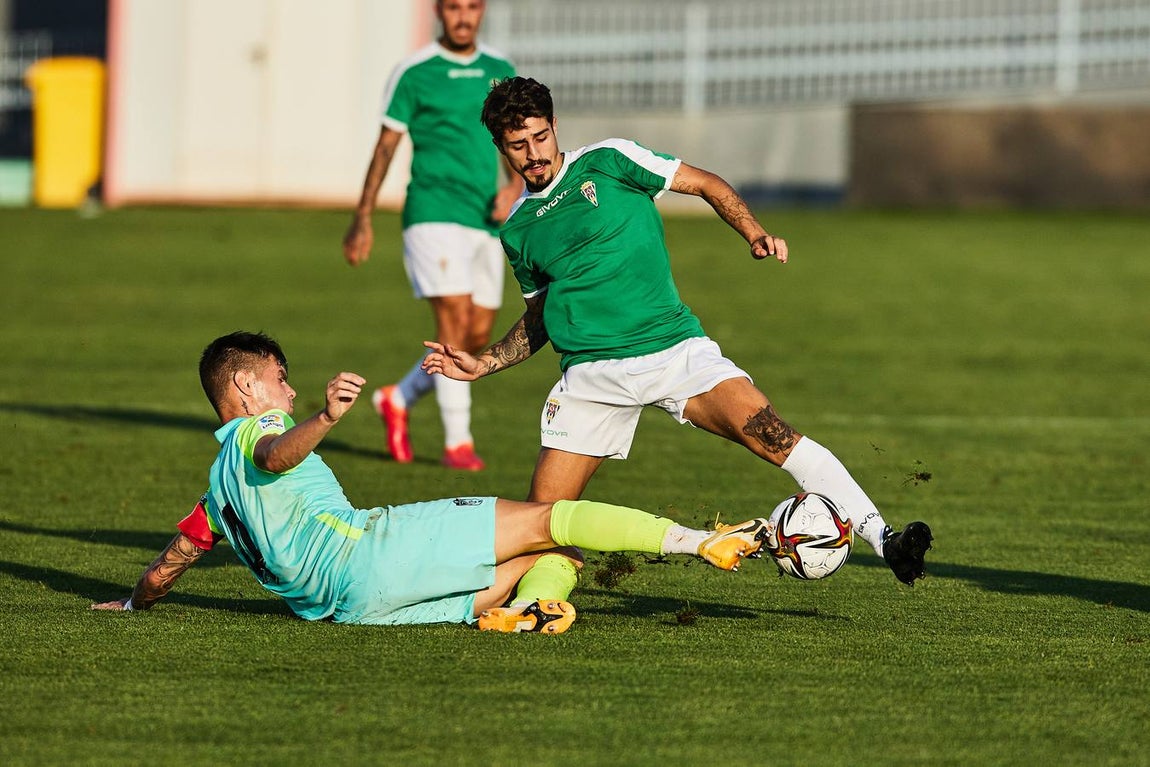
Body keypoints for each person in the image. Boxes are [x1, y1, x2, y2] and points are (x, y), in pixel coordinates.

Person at [422, 77, 933, 585]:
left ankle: (883, 538)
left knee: (775, 436)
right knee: (542, 522)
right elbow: (539, 318)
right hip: (591, 377)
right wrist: (485, 362)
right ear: (500, 147)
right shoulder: (518, 227)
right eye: (517, 145)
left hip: (674, 352)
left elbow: (706, 183)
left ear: (554, 125)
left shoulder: (609, 160)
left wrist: (753, 232)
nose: (532, 153)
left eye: (539, 137)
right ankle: (523, 601)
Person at [90, 332, 774, 633]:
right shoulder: (250, 437)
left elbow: (168, 566)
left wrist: (131, 604)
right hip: (373, 551)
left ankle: (538, 610)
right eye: (278, 376)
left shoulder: (215, 494)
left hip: (354, 609)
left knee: (554, 559)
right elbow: (274, 454)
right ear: (243, 384)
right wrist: (326, 417)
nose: (289, 389)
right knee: (547, 515)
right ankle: (699, 541)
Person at [342, 0, 521, 471]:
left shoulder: (499, 69)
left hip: (485, 218)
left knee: (477, 337)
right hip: (432, 213)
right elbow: (385, 148)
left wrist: (515, 186)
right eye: (454, 7)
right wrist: (363, 216)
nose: (464, 16)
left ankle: (397, 398)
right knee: (454, 321)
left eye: (473, 7)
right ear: (439, 12)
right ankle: (458, 442)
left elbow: (513, 140)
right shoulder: (414, 72)